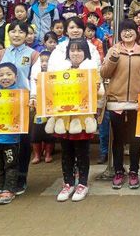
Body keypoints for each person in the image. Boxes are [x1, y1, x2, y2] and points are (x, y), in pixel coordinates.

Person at [100, 20, 140, 189]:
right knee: (118, 139)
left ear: (136, 32)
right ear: (120, 33)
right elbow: (104, 73)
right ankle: (118, 171)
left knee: (135, 140)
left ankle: (134, 172)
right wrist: (113, 59)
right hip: (116, 101)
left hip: (137, 102)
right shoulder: (113, 50)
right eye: (124, 30)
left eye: (131, 30)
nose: (127, 33)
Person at [0, 20, 39, 195]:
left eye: (21, 32)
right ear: (8, 34)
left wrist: (33, 97)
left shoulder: (33, 55)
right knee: (1, 140)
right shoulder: (1, 54)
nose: (17, 34)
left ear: (27, 35)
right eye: (13, 31)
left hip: (23, 104)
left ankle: (20, 178)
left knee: (23, 141)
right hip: (1, 104)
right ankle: (3, 180)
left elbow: (35, 79)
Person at [48, 38, 102, 202]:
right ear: (67, 53)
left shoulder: (91, 71)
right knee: (66, 152)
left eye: (79, 50)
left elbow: (100, 94)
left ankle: (83, 183)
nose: (75, 53)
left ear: (86, 52)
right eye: (72, 50)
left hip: (82, 120)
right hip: (64, 119)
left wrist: (96, 88)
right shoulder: (60, 72)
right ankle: (68, 183)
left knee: (82, 152)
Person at [0, 63, 22, 205]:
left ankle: (9, 189)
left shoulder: (21, 95)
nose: (5, 77)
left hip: (11, 139)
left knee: (11, 165)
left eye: (9, 74)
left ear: (16, 77)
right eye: (1, 75)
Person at [29, 51, 54, 165]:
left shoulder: (55, 74)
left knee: (49, 132)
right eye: (42, 61)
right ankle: (37, 155)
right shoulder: (35, 76)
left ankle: (48, 154)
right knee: (36, 132)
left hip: (51, 107)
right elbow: (32, 89)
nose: (44, 64)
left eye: (47, 61)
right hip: (38, 107)